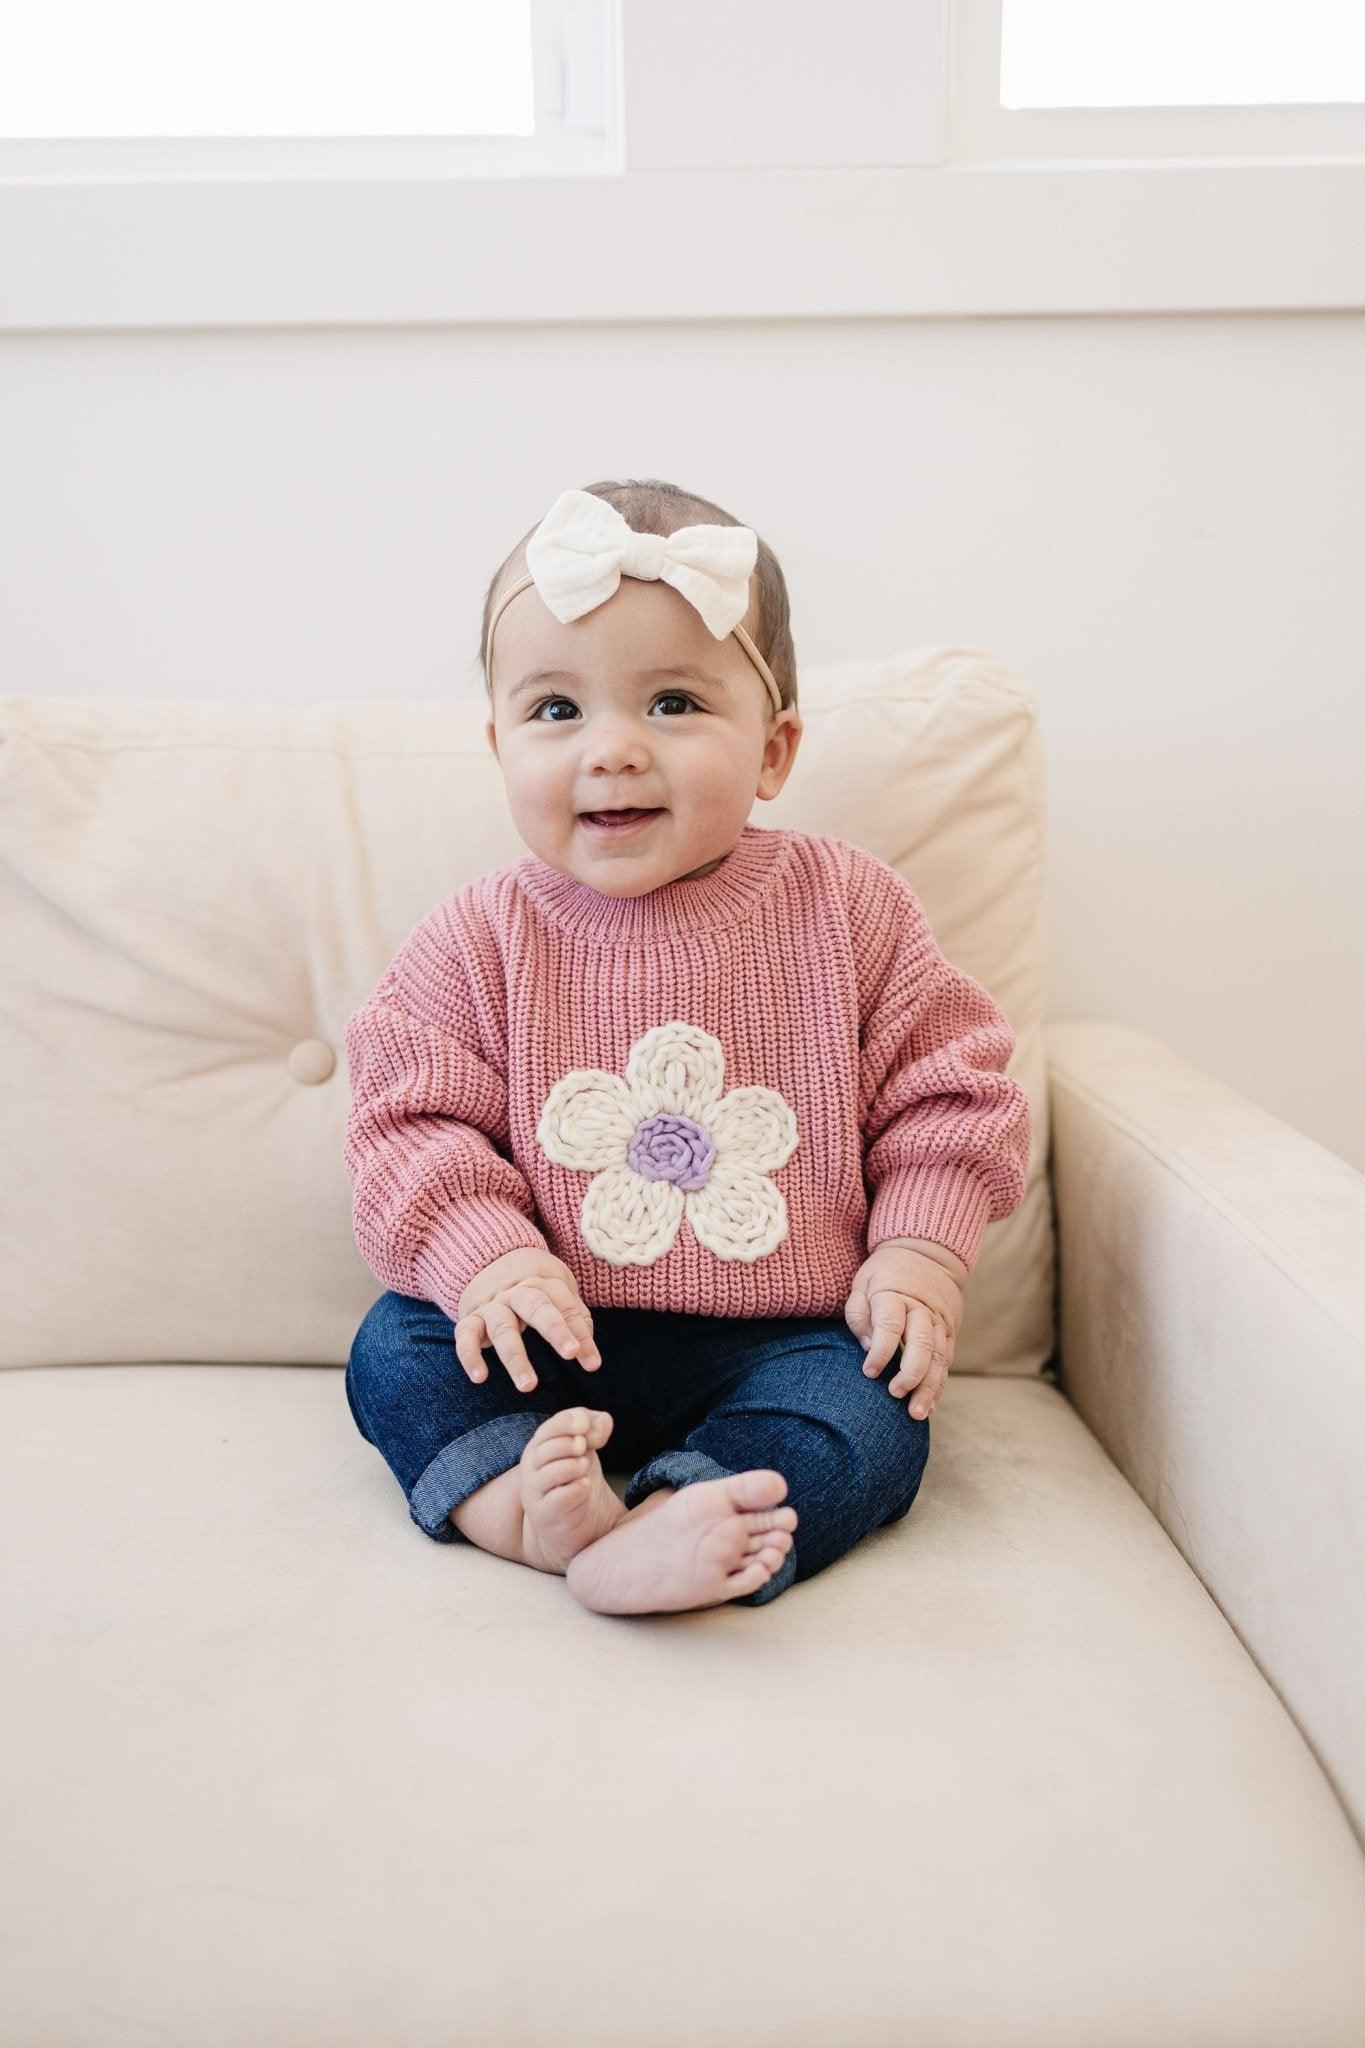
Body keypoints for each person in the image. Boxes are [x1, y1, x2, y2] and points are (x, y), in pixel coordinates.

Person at [342, 478, 1032, 1614]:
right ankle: (525, 1506)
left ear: (774, 748)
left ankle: (676, 1518)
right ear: (499, 744)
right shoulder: (478, 937)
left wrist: (920, 1250)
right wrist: (489, 1257)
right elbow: (407, 1123)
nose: (612, 750)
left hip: (782, 1335)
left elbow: (950, 1091)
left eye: (671, 702)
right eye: (556, 711)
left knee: (878, 1409)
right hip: (550, 1326)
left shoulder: (849, 908)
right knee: (397, 1345)